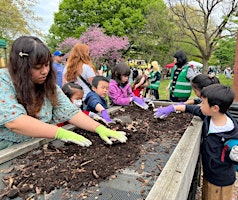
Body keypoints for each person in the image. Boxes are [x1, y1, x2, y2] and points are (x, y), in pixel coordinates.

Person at [0, 36, 127, 150]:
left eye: (46, 65)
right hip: (10, 151)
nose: (45, 71)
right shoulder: (4, 80)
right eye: (38, 67)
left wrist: (99, 128)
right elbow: (14, 121)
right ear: (21, 67)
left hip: (40, 145)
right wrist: (60, 133)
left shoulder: (48, 84)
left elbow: (70, 112)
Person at [154, 84, 238, 200]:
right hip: (209, 173)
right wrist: (172, 108)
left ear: (215, 108)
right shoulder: (210, 117)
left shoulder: (230, 135)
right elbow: (191, 109)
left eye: (203, 102)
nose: (200, 105)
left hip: (221, 181)